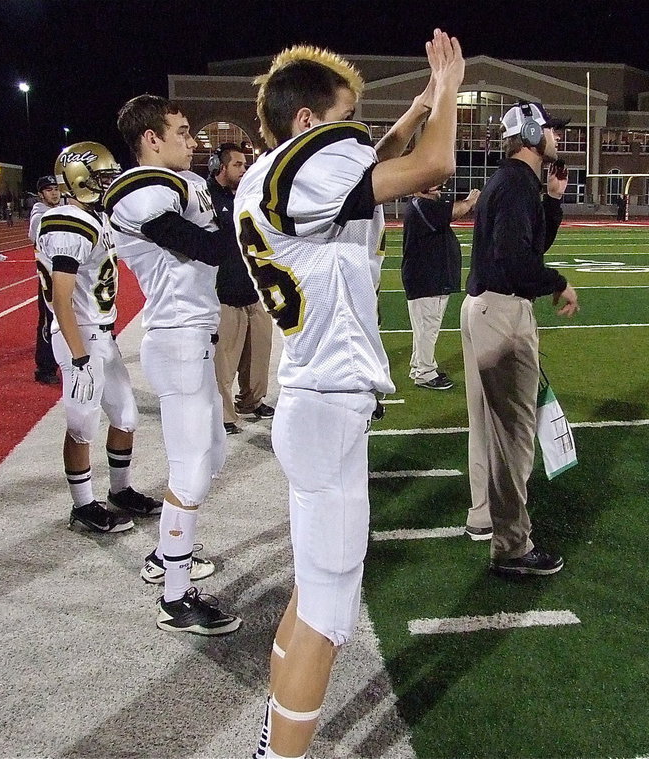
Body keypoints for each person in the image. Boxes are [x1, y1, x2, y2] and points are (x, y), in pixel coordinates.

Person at [234, 29, 464, 759]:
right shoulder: (309, 165)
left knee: (311, 591)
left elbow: (376, 162)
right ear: (306, 125)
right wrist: (451, 96)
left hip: (312, 396)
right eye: (342, 122)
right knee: (329, 612)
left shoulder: (266, 174)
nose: (355, 139)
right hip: (328, 401)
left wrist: (420, 103)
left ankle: (274, 739)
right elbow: (433, 164)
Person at [104, 94, 240, 635]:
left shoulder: (181, 184)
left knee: (212, 455)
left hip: (195, 335)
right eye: (181, 131)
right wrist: (260, 226)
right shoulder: (144, 186)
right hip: (178, 336)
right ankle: (176, 599)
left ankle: (166, 555)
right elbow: (199, 247)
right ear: (150, 140)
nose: (192, 139)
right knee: (190, 467)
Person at [460, 101, 579, 573]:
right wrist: (558, 282)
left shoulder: (516, 182)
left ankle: (483, 516)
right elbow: (518, 260)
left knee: (489, 428)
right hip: (502, 312)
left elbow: (530, 244)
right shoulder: (513, 185)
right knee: (513, 436)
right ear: (530, 131)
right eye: (551, 129)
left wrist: (551, 200)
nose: (558, 137)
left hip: (485, 307)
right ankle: (512, 546)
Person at [36, 142, 163, 533]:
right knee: (82, 424)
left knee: (125, 416)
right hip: (80, 335)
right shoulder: (65, 221)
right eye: (101, 177)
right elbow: (60, 298)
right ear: (78, 180)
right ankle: (83, 505)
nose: (108, 183)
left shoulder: (95, 218)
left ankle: (120, 490)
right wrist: (77, 358)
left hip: (101, 334)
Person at [206, 142, 275, 435]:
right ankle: (224, 415)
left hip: (253, 289)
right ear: (220, 168)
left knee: (258, 357)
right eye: (237, 165)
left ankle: (251, 401)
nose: (244, 169)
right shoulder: (207, 198)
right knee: (224, 362)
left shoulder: (246, 195)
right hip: (224, 294)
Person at [402, 183, 479, 390]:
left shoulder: (422, 206)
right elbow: (453, 212)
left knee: (424, 328)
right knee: (428, 328)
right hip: (427, 279)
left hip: (429, 279)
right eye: (432, 184)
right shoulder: (421, 205)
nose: (439, 189)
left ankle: (419, 367)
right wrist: (471, 201)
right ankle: (425, 373)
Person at [29, 175, 62, 385]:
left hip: (66, 275)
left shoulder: (59, 210)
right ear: (41, 194)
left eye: (56, 189)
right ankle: (45, 367)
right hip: (49, 279)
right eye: (49, 190)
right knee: (48, 323)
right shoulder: (38, 216)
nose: (55, 193)